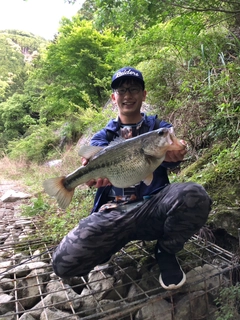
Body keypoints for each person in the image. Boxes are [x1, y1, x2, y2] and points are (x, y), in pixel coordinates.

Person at [52, 67, 212, 290]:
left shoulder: (158, 129)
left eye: (134, 89)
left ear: (144, 94)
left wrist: (178, 150)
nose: (128, 95)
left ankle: (165, 251)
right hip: (113, 213)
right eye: (122, 90)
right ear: (113, 97)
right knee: (63, 264)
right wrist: (89, 176)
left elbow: (174, 151)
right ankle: (109, 244)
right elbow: (92, 161)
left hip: (153, 210)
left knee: (194, 194)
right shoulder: (102, 137)